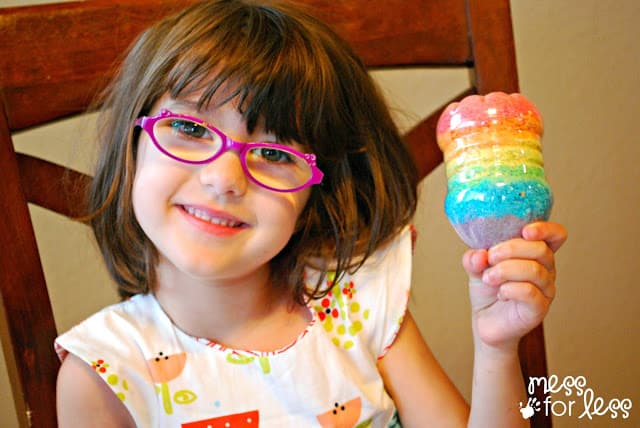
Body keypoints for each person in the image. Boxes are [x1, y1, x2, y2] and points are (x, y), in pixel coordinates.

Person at [55, 1, 568, 427]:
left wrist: (497, 349)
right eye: (190, 130)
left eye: (276, 155)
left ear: (312, 198)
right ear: (133, 141)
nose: (224, 178)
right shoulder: (103, 375)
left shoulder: (358, 300)